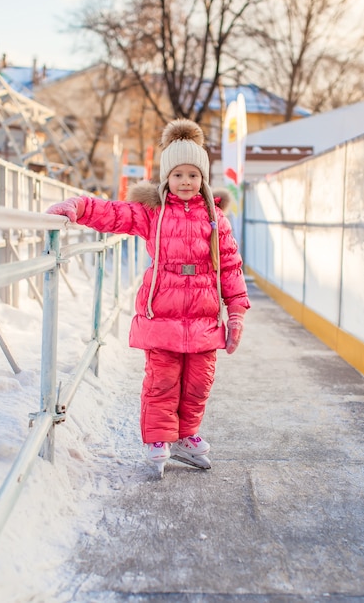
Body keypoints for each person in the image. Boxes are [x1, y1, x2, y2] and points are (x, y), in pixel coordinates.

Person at [47, 119, 250, 477]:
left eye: (193, 175)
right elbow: (112, 213)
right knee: (162, 381)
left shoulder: (216, 219)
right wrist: (78, 206)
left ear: (203, 179)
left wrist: (236, 312)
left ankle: (186, 436)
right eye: (177, 175)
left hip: (203, 315)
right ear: (165, 179)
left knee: (199, 383)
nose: (185, 182)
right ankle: (158, 439)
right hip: (163, 314)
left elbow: (231, 267)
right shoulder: (152, 213)